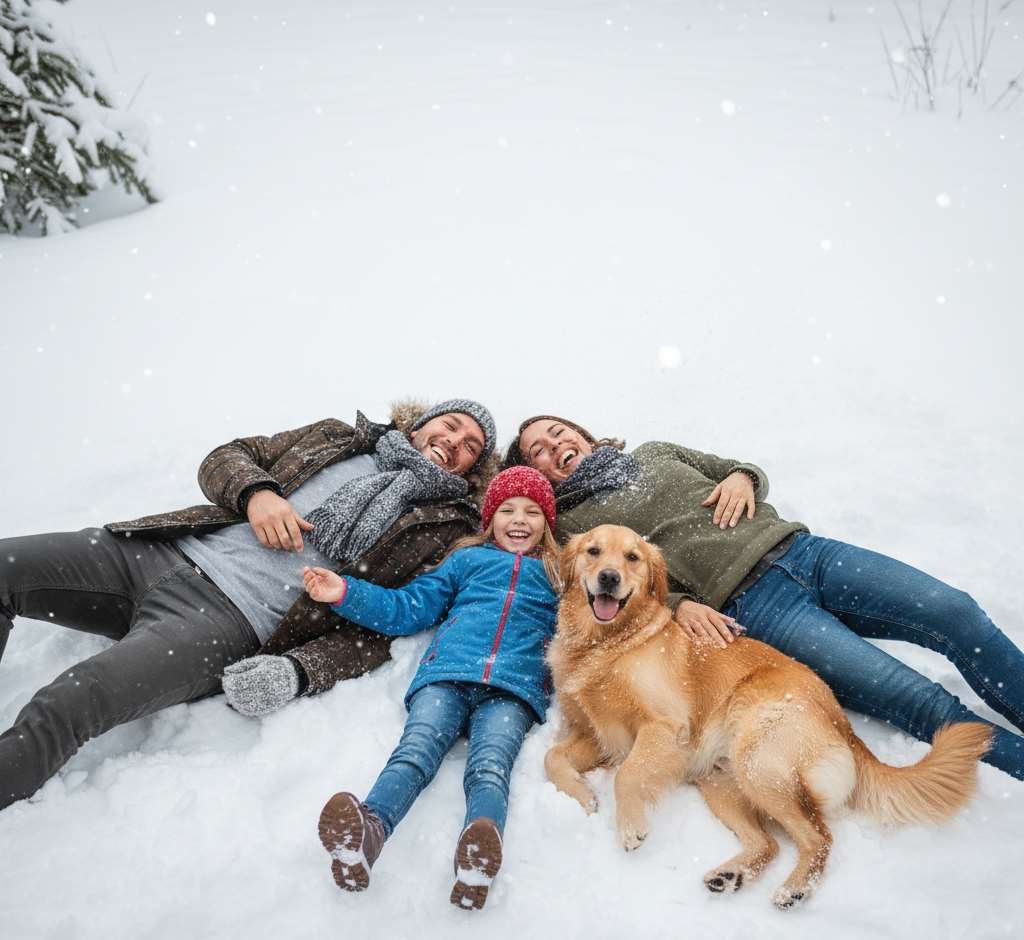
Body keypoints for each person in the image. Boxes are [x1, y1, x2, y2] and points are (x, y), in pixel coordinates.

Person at [0, 399, 497, 811]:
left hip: (221, 619)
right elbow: (228, 456)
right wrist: (256, 493)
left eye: (470, 446)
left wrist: (300, 671)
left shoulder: (440, 527)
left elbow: (378, 629)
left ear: (473, 468)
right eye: (450, 425)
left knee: (74, 697)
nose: (454, 442)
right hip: (155, 550)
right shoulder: (340, 437)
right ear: (421, 423)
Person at [503, 415, 1024, 781]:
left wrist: (743, 477)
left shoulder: (653, 453)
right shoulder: (576, 527)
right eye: (538, 452)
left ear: (581, 433)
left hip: (806, 552)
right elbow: (621, 587)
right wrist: (680, 604)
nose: (554, 446)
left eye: (557, 432)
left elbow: (739, 468)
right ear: (540, 474)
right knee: (913, 697)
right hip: (760, 608)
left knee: (954, 611)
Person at [306, 466, 560, 911]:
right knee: (415, 751)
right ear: (490, 519)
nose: (519, 519)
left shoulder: (561, 576)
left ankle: (477, 856)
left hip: (513, 688)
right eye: (507, 509)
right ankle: (367, 834)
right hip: (447, 676)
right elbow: (408, 608)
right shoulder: (466, 561)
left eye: (532, 511)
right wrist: (345, 591)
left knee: (490, 765)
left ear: (548, 523)